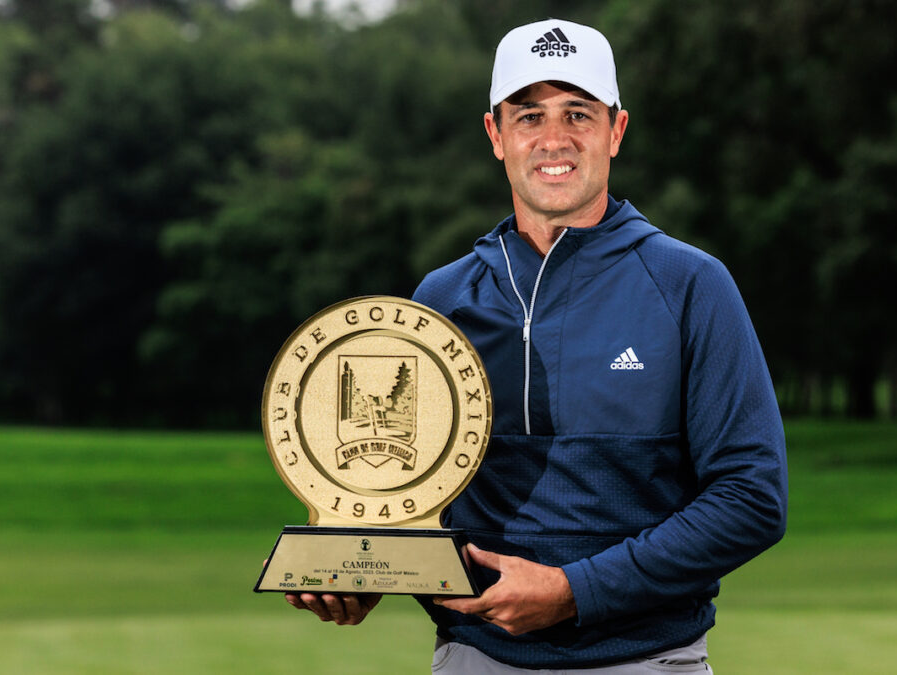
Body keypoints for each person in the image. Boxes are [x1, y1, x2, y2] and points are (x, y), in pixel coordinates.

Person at [286, 18, 788, 673]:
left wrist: (574, 592)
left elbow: (751, 498)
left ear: (617, 129)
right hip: (474, 657)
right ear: (496, 134)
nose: (554, 139)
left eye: (577, 114)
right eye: (529, 116)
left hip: (644, 658)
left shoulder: (690, 284)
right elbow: (403, 493)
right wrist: (360, 572)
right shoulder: (440, 299)